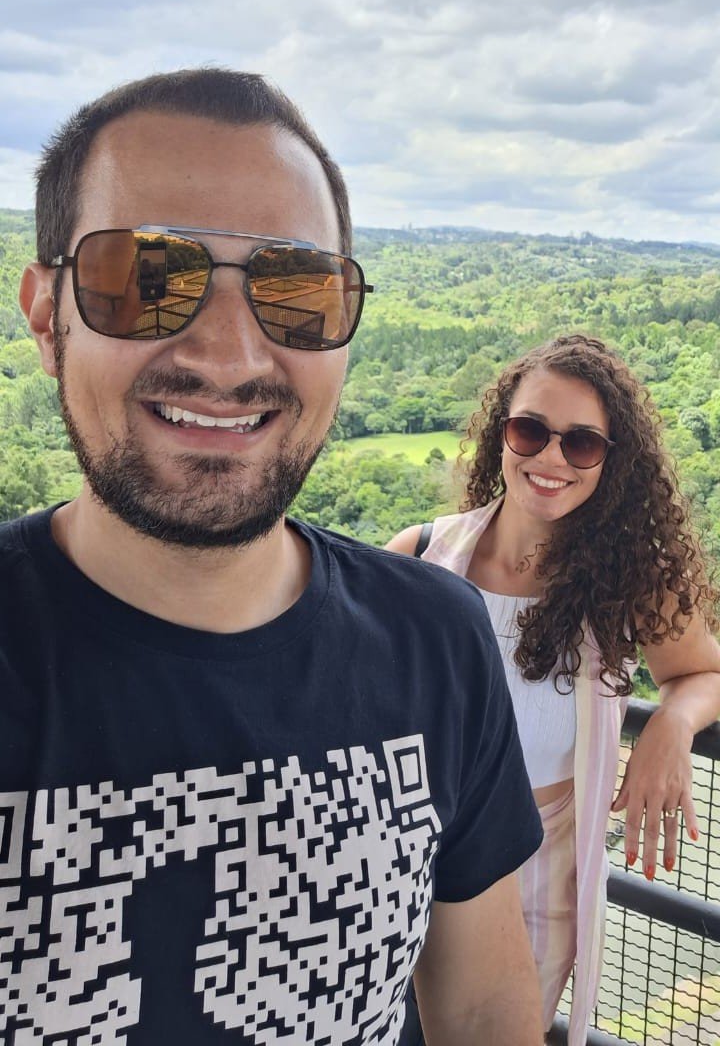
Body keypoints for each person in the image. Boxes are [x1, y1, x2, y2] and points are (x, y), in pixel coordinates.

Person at [1, 68, 545, 1045]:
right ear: (48, 316)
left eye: (295, 292)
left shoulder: (437, 638)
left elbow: (479, 1011)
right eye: (147, 278)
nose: (228, 355)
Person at [387, 334, 720, 1045]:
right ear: (500, 432)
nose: (551, 458)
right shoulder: (418, 558)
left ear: (612, 461)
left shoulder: (629, 582)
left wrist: (672, 723)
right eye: (530, 430)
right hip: (404, 854)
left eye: (582, 443)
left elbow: (703, 671)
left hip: (534, 876)